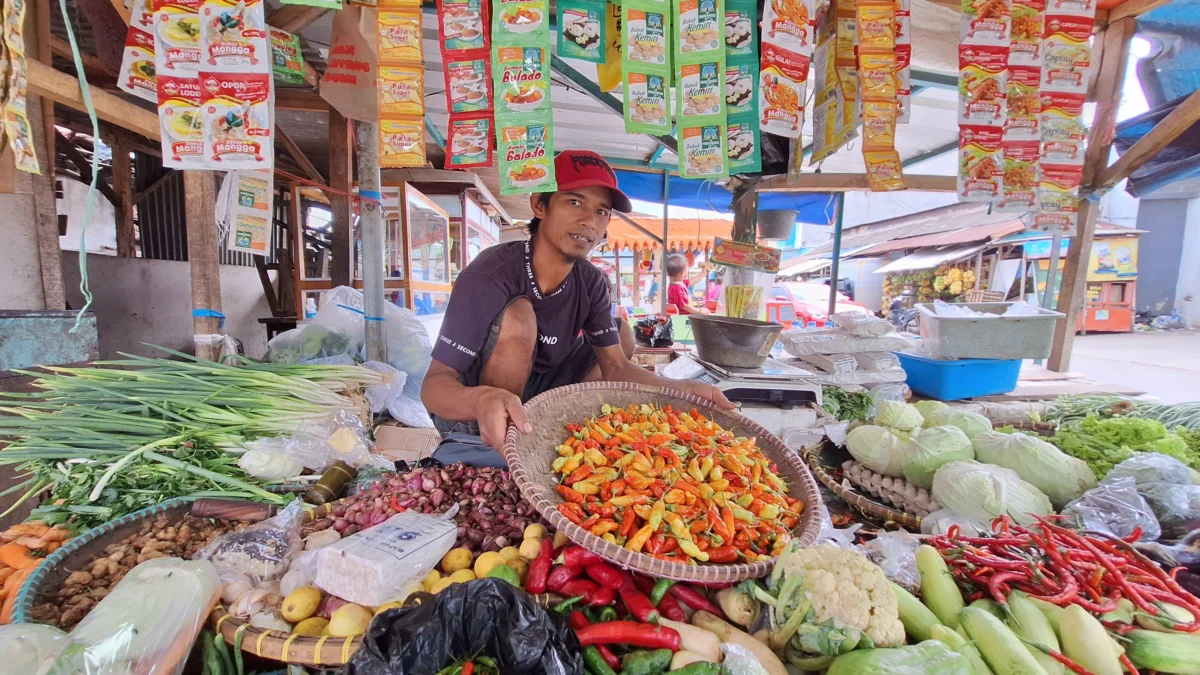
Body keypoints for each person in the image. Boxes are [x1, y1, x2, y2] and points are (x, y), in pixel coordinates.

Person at [421, 150, 734, 465]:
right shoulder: (489, 274)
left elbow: (615, 367)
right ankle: (499, 442)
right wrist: (480, 400)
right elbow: (434, 388)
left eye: (601, 211)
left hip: (541, 395)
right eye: (574, 202)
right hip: (473, 410)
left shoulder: (592, 281)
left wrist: (680, 389)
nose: (589, 221)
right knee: (520, 317)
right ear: (539, 205)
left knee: (621, 333)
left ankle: (561, 429)